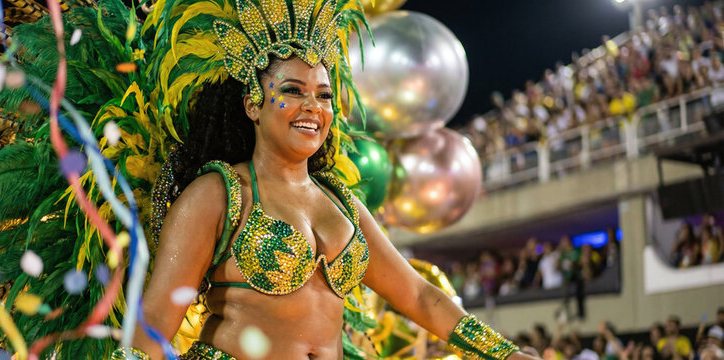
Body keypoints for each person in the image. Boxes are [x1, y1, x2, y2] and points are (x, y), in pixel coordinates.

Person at [128, 1, 534, 359]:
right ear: (253, 103)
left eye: (323, 95)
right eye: (292, 90)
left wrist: (504, 354)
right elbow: (155, 324)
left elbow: (419, 296)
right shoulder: (218, 195)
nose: (313, 107)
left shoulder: (343, 205)